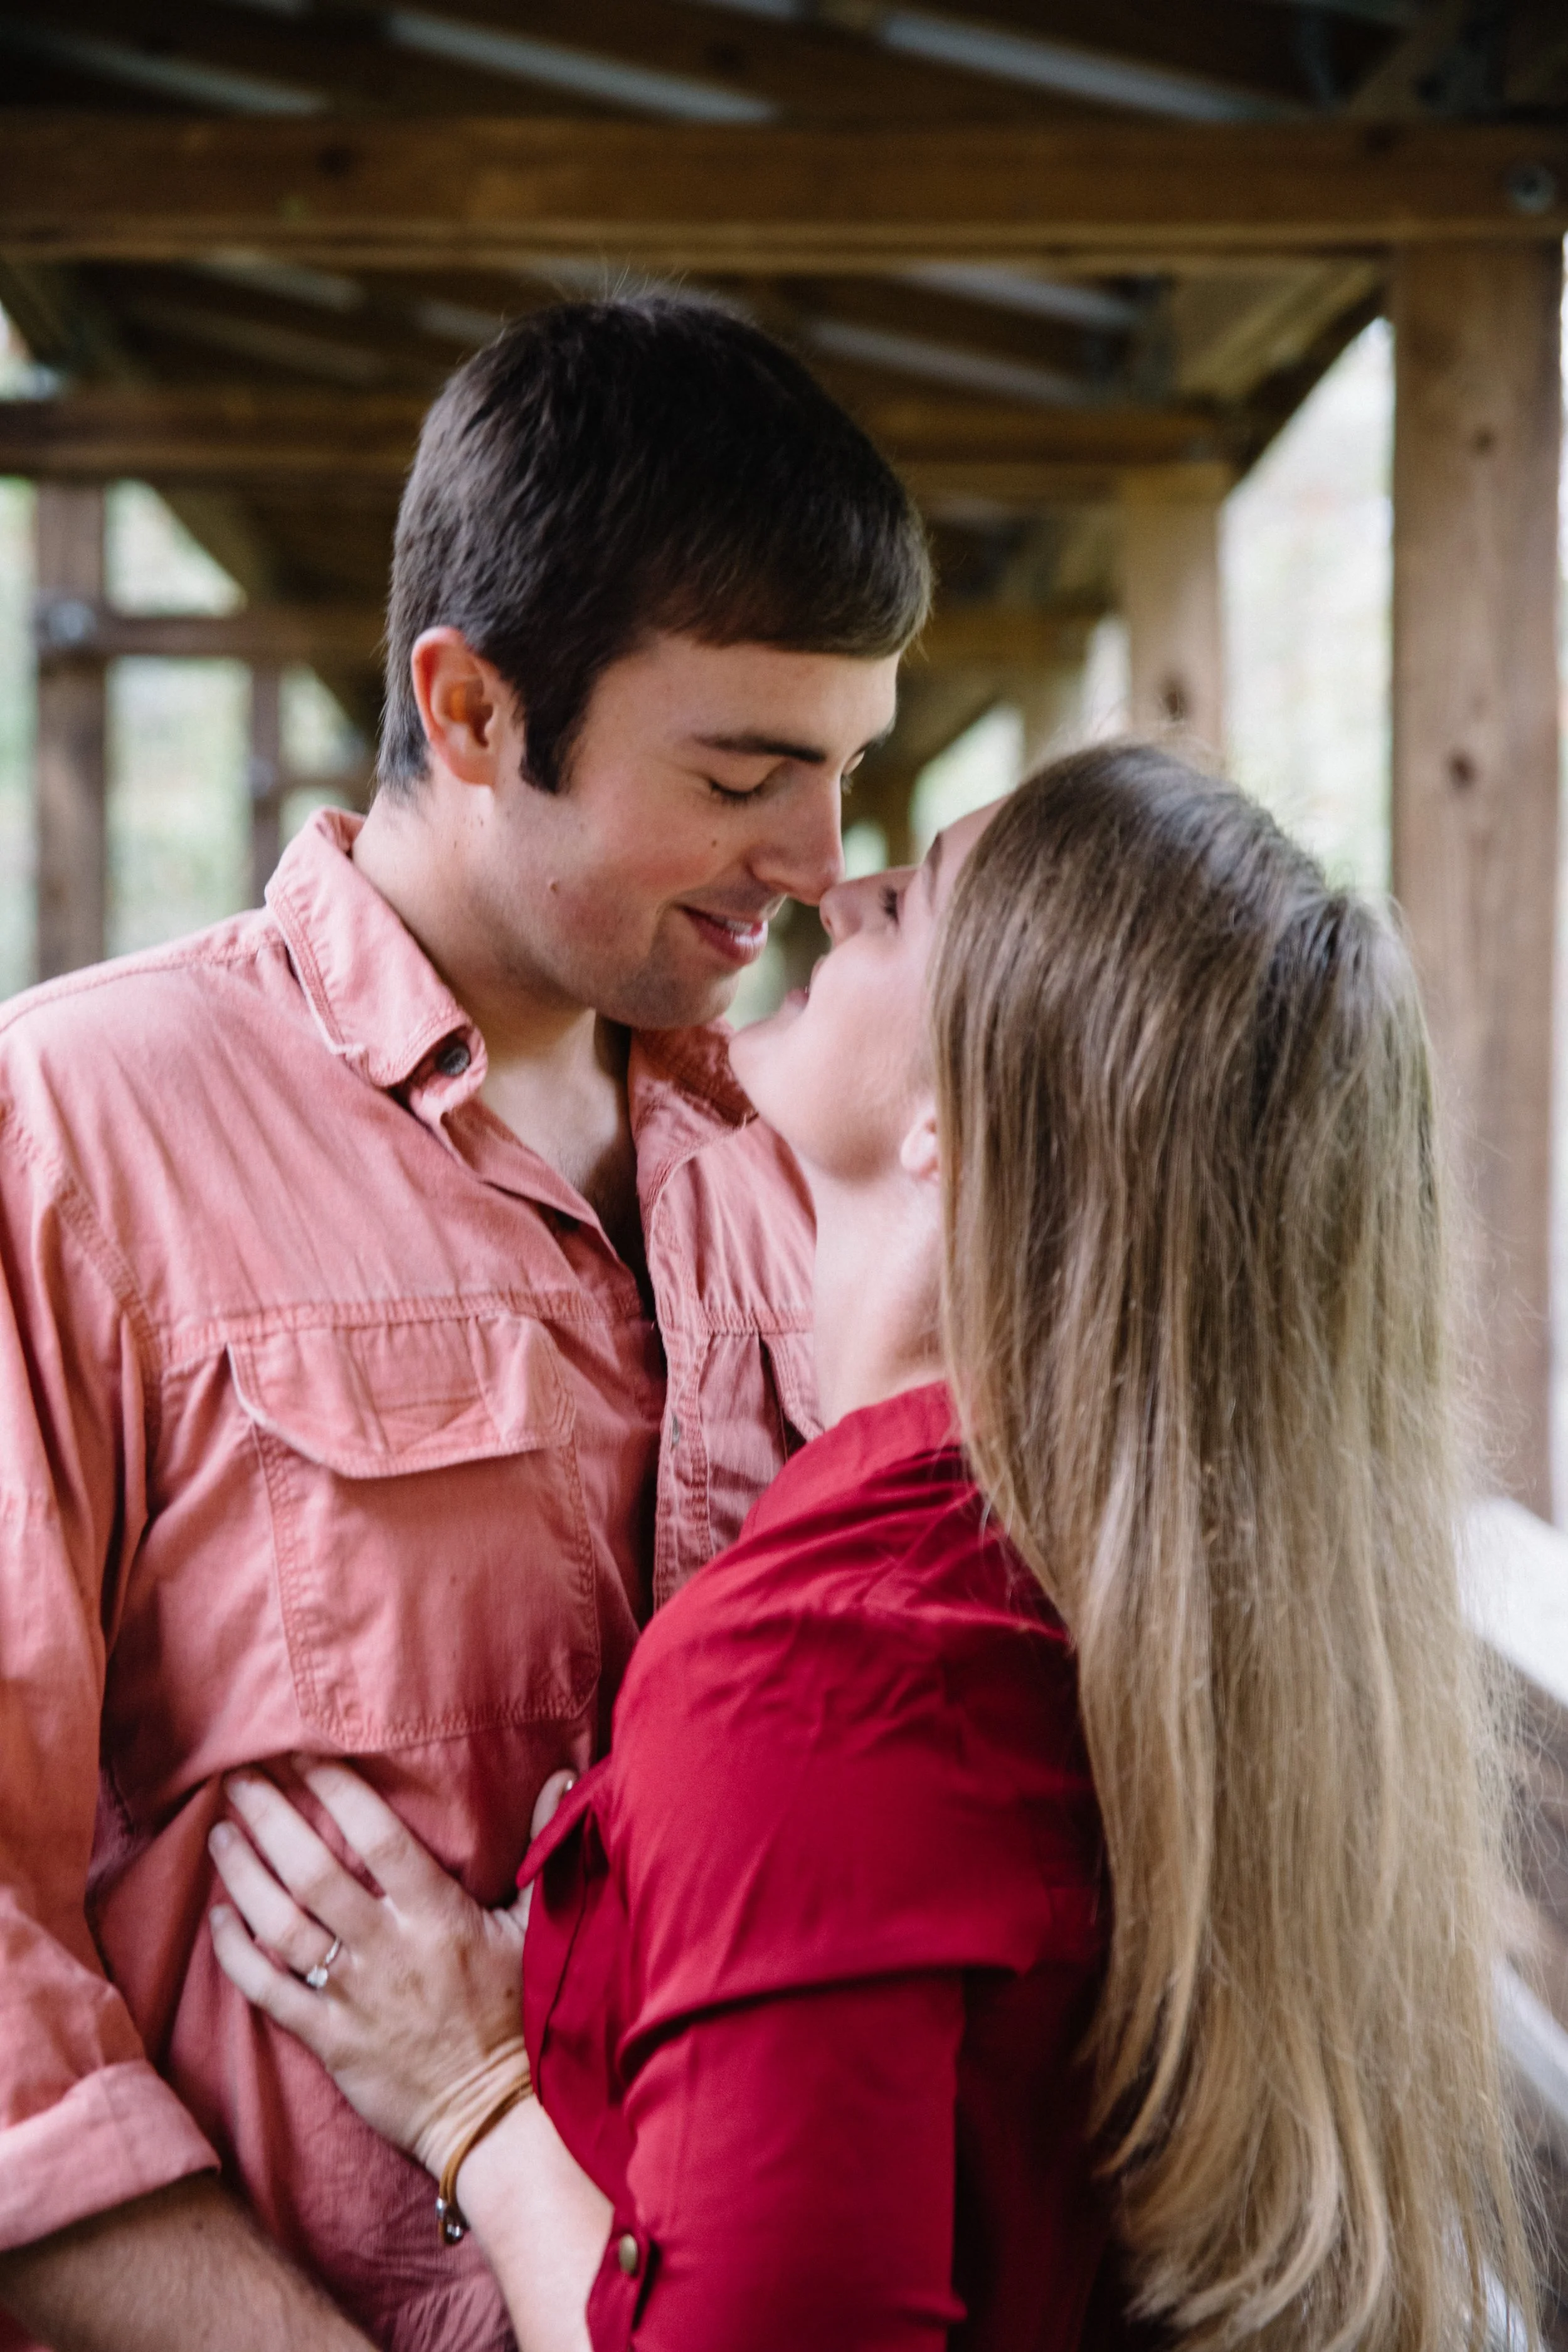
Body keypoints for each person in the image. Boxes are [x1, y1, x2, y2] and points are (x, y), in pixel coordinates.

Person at [206, 747, 1535, 2352]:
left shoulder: (825, 1670)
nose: (830, 886)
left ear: (959, 1119)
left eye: (901, 904)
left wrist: (473, 2092)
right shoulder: (1151, 1593)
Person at [0, 296, 929, 2352]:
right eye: (749, 771)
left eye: (850, 771)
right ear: (477, 710)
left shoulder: (808, 1165)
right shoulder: (76, 1125)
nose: (819, 862)